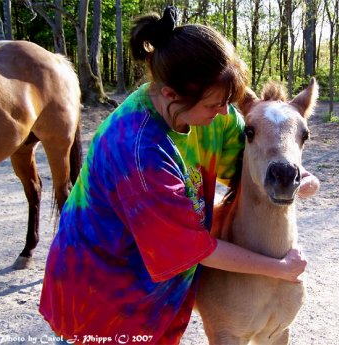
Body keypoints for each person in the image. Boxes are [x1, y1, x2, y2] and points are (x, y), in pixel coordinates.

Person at [39, 6, 318, 345]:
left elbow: (252, 165)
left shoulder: (205, 110)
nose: (223, 114)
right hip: (103, 291)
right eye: (215, 104)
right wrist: (280, 268)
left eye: (227, 102)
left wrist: (294, 174)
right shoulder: (140, 155)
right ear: (171, 94)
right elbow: (191, 248)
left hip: (159, 288)